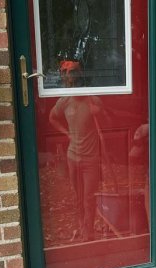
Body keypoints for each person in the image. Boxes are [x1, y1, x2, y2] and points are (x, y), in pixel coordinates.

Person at [49, 60, 103, 241]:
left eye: (73, 72)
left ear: (80, 75)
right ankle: (81, 226)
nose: (70, 76)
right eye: (66, 73)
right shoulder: (64, 101)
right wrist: (66, 134)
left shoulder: (93, 99)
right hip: (73, 156)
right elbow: (52, 118)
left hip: (91, 159)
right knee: (78, 196)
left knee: (89, 196)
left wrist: (99, 112)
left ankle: (89, 232)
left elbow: (110, 124)